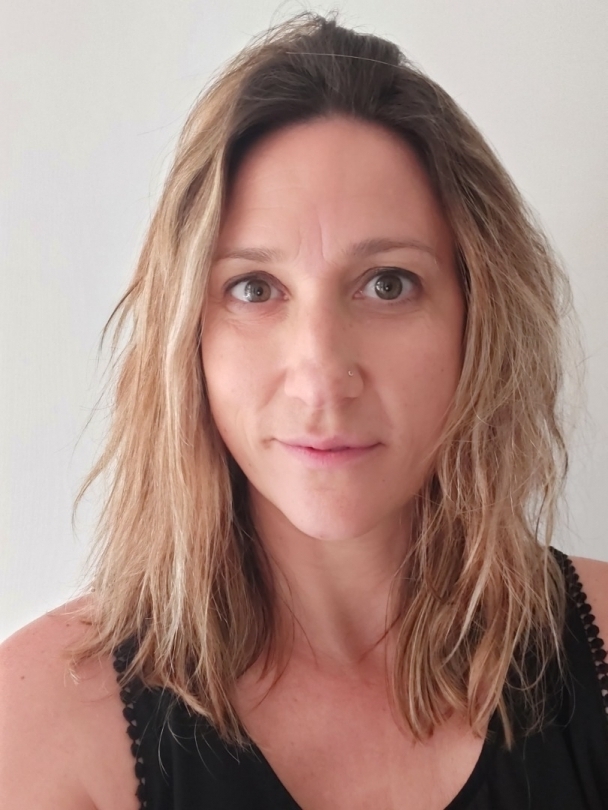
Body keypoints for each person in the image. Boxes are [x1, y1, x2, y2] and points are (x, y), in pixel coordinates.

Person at [1, 12, 607, 810]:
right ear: (188, 336)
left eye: (388, 283)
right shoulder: (43, 728)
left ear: (480, 319)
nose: (321, 378)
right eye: (254, 288)